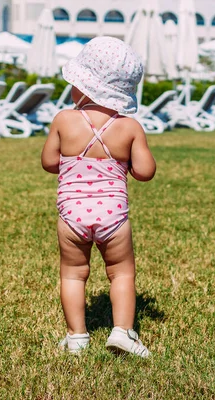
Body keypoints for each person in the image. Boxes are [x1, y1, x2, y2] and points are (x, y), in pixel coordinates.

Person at [41, 37, 156, 357]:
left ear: (85, 86)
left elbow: (49, 163)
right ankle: (122, 332)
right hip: (113, 217)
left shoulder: (64, 120)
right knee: (121, 271)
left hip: (71, 215)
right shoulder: (130, 128)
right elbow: (145, 172)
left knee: (73, 273)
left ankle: (77, 336)